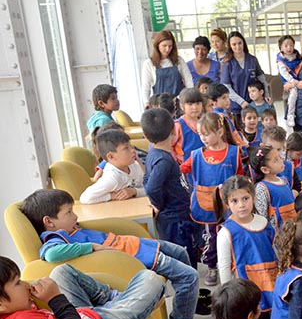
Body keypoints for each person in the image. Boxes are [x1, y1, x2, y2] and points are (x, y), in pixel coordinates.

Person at [21, 189, 199, 319]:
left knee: (180, 253)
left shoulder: (71, 229)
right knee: (189, 277)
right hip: (137, 256)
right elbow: (51, 254)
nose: (75, 216)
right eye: (68, 212)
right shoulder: (56, 238)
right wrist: (91, 247)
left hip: (137, 245)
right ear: (49, 222)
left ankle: (188, 302)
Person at [0, 257, 165, 319]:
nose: (25, 285)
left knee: (61, 272)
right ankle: (127, 303)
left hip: (85, 317)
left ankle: (116, 299)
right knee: (151, 279)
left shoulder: (14, 312)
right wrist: (55, 297)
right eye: (17, 283)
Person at [181, 112, 243, 287]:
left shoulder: (234, 152)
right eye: (200, 134)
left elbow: (241, 178)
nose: (203, 138)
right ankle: (211, 266)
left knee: (232, 235)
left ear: (220, 131)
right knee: (210, 238)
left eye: (206, 133)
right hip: (205, 206)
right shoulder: (196, 155)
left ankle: (234, 265)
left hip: (229, 206)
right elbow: (180, 171)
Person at [214, 176, 277, 319]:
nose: (241, 205)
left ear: (253, 197)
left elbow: (276, 252)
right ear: (227, 203)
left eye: (245, 198)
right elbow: (224, 267)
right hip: (246, 294)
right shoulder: (226, 232)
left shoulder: (264, 223)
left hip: (271, 284)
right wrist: (229, 298)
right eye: (234, 201)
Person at [141, 107, 198, 268]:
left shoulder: (153, 153)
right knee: (184, 259)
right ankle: (195, 293)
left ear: (146, 136)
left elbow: (146, 179)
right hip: (174, 218)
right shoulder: (163, 160)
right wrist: (158, 204)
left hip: (175, 216)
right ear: (174, 130)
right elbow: (152, 187)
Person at [79, 130, 145, 204]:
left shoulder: (134, 166)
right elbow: (85, 198)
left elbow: (151, 189)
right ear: (111, 156)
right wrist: (112, 196)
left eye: (131, 146)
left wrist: (134, 191)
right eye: (126, 148)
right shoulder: (112, 178)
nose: (133, 150)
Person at [220, 31, 269, 118]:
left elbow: (262, 80)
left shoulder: (252, 60)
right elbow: (227, 88)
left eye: (240, 43)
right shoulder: (228, 64)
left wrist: (266, 95)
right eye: (234, 44)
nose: (237, 46)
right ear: (230, 46)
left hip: (254, 105)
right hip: (236, 108)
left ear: (244, 43)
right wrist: (241, 102)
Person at [141, 30, 193, 106]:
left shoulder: (179, 61)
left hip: (178, 104)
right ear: (157, 45)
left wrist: (188, 98)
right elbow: (146, 87)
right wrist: (146, 103)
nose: (167, 49)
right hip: (159, 105)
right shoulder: (149, 63)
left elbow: (189, 82)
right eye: (164, 46)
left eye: (170, 46)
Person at [252, 145, 296, 230]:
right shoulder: (262, 188)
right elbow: (261, 216)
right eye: (276, 160)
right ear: (265, 170)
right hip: (277, 236)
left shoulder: (284, 180)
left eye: (279, 157)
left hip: (291, 229)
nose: (281, 160)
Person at [275, 34, 302, 127]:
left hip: (299, 79)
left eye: (291, 45)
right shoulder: (281, 60)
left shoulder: (297, 56)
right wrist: (292, 81)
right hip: (289, 81)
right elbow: (284, 73)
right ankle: (290, 114)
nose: (289, 48)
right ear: (281, 48)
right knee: (294, 94)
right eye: (286, 46)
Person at [172, 87, 205, 163]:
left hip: (206, 163)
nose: (195, 107)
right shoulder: (178, 125)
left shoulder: (206, 121)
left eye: (198, 103)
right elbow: (170, 146)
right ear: (182, 106)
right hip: (187, 166)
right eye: (190, 104)